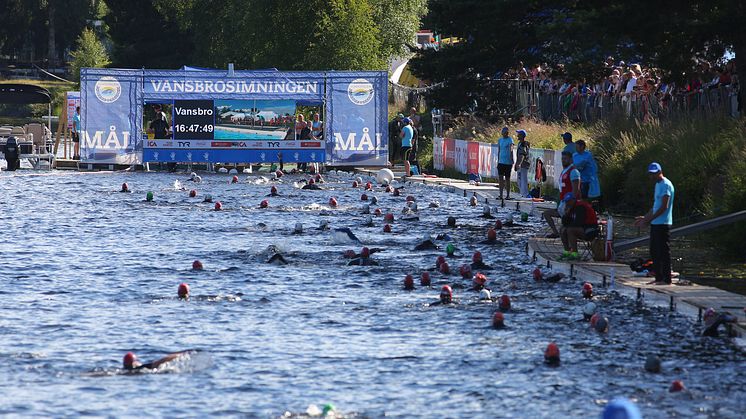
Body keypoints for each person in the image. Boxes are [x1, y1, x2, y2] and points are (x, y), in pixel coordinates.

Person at [634, 162, 675, 285]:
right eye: (650, 174)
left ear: (660, 172)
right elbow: (655, 207)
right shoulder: (657, 185)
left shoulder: (666, 185)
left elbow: (664, 207)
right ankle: (658, 278)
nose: (652, 176)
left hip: (663, 223)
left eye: (654, 173)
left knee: (663, 251)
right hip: (655, 223)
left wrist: (648, 220)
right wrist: (645, 218)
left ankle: (666, 279)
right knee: (654, 251)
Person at [542, 152, 581, 238]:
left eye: (565, 159)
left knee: (565, 229)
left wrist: (571, 205)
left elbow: (576, 190)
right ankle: (556, 233)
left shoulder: (574, 172)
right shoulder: (564, 171)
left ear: (571, 160)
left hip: (570, 204)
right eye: (562, 159)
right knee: (546, 214)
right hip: (563, 203)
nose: (563, 161)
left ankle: (571, 239)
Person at [122, 350, 195, 371]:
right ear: (134, 362)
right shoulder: (144, 368)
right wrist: (182, 355)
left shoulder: (122, 371)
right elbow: (163, 360)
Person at [496, 127, 514, 199]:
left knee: (507, 179)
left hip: (508, 162)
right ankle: (500, 195)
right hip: (501, 162)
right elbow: (499, 151)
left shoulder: (510, 140)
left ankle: (508, 195)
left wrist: (512, 159)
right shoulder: (500, 140)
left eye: (507, 132)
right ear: (502, 133)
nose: (506, 133)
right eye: (504, 132)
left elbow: (511, 150)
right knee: (500, 178)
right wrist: (498, 160)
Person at [514, 129, 531, 198]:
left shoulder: (523, 144)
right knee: (519, 181)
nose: (517, 135)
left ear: (522, 136)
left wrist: (518, 164)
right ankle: (522, 194)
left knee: (523, 180)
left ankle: (526, 195)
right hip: (521, 165)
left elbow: (522, 155)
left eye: (519, 134)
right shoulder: (520, 144)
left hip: (523, 165)